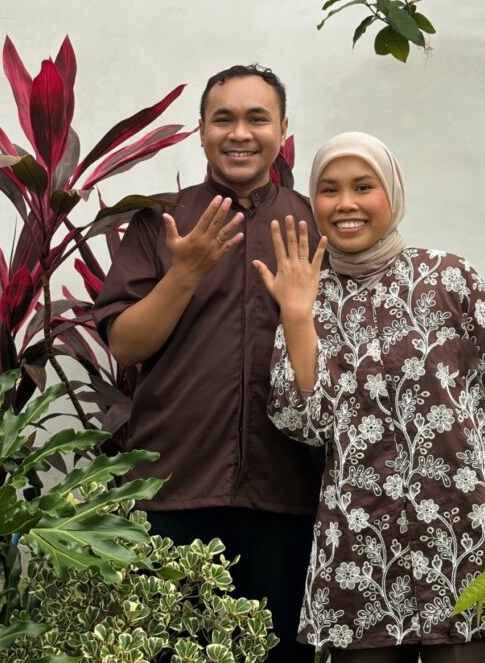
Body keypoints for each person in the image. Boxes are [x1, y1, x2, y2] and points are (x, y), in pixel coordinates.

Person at [252, 131, 485, 663]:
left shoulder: (449, 278)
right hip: (361, 555)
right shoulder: (308, 298)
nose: (345, 203)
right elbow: (307, 424)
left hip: (467, 542)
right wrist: (297, 318)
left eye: (363, 186)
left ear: (392, 193)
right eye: (329, 189)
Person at [92, 64, 323, 662]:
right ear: (201, 131)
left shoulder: (311, 223)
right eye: (223, 119)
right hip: (173, 488)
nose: (239, 133)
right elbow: (126, 345)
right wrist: (185, 272)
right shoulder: (162, 220)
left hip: (287, 493)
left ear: (282, 130)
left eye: (257, 118)